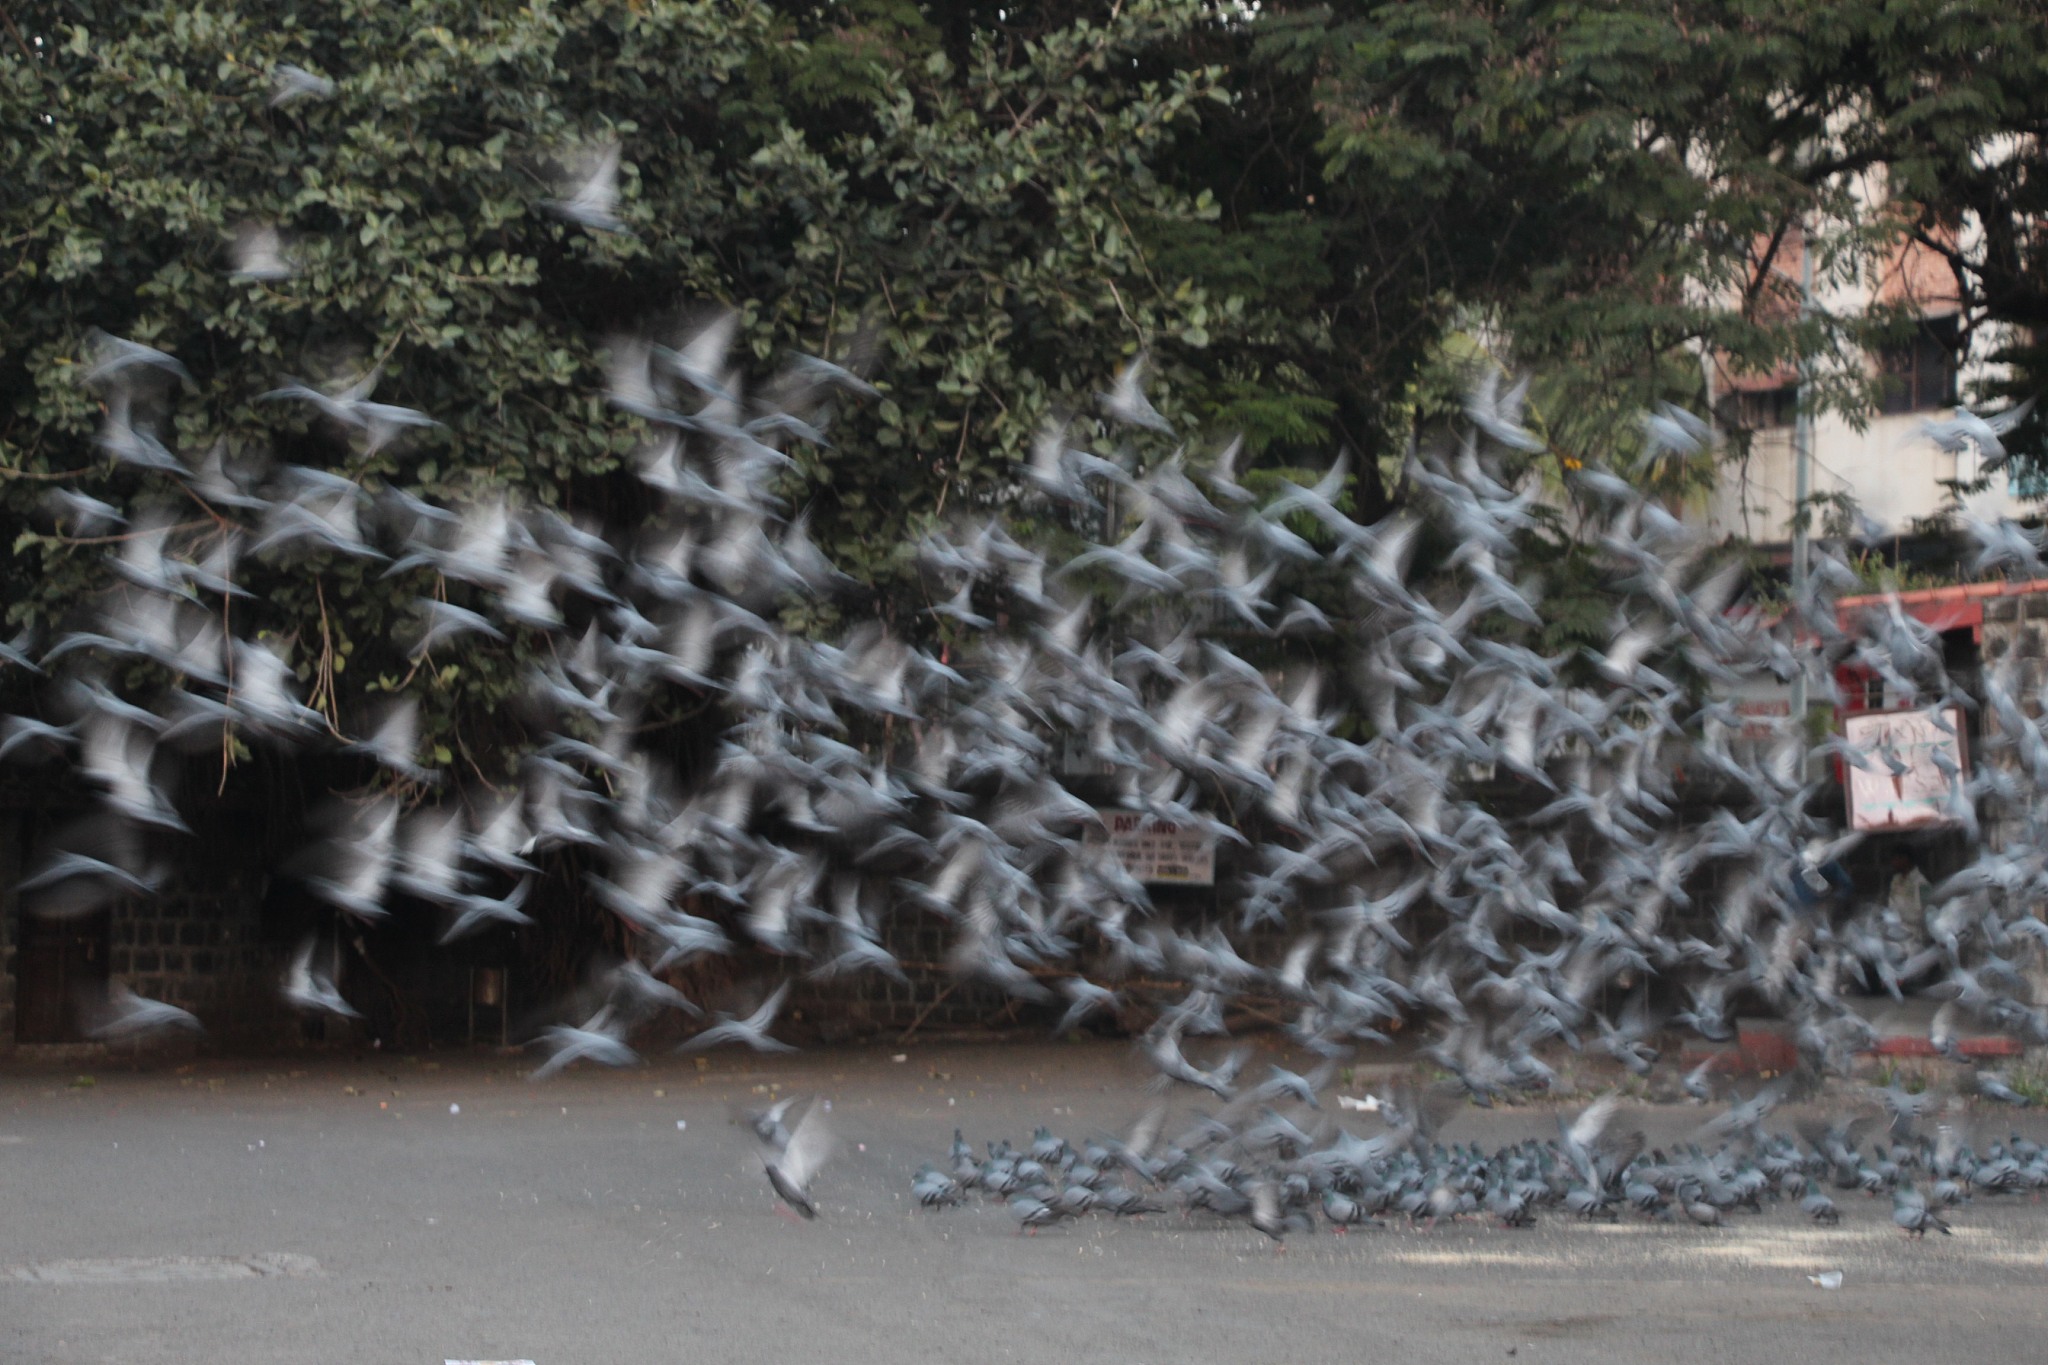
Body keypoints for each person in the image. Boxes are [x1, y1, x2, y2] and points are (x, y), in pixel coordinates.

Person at [1886, 849, 1931, 951]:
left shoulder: (1922, 883)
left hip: (1914, 936)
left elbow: (1923, 914)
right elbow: (1891, 904)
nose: (1893, 863)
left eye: (1896, 859)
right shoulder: (1896, 880)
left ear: (1905, 859)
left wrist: (1900, 917)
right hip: (1894, 931)